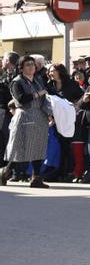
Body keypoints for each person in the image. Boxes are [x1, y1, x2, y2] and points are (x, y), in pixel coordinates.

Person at [0, 56, 53, 188]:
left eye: (32, 65)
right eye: (28, 65)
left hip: (39, 116)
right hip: (24, 116)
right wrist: (38, 94)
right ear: (21, 68)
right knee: (20, 147)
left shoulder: (38, 80)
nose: (31, 67)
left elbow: (45, 98)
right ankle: (5, 171)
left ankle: (36, 177)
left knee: (38, 147)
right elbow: (20, 100)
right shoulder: (16, 82)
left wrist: (49, 113)